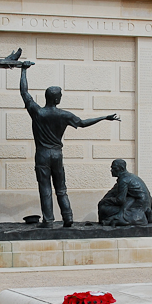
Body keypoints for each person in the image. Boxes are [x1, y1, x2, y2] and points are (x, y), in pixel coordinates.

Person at [20, 64, 120, 228]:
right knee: (61, 188)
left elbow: (24, 93)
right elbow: (82, 123)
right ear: (57, 99)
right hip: (57, 155)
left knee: (45, 189)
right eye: (60, 95)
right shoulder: (64, 115)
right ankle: (68, 217)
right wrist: (103, 117)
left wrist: (23, 71)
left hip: (43, 155)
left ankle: (48, 220)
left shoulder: (37, 112)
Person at [97, 159, 152, 226]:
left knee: (103, 208)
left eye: (114, 168)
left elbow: (120, 200)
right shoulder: (131, 176)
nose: (111, 170)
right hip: (144, 206)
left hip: (136, 208)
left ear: (121, 169)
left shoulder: (123, 180)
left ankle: (115, 220)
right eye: (111, 168)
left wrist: (105, 201)